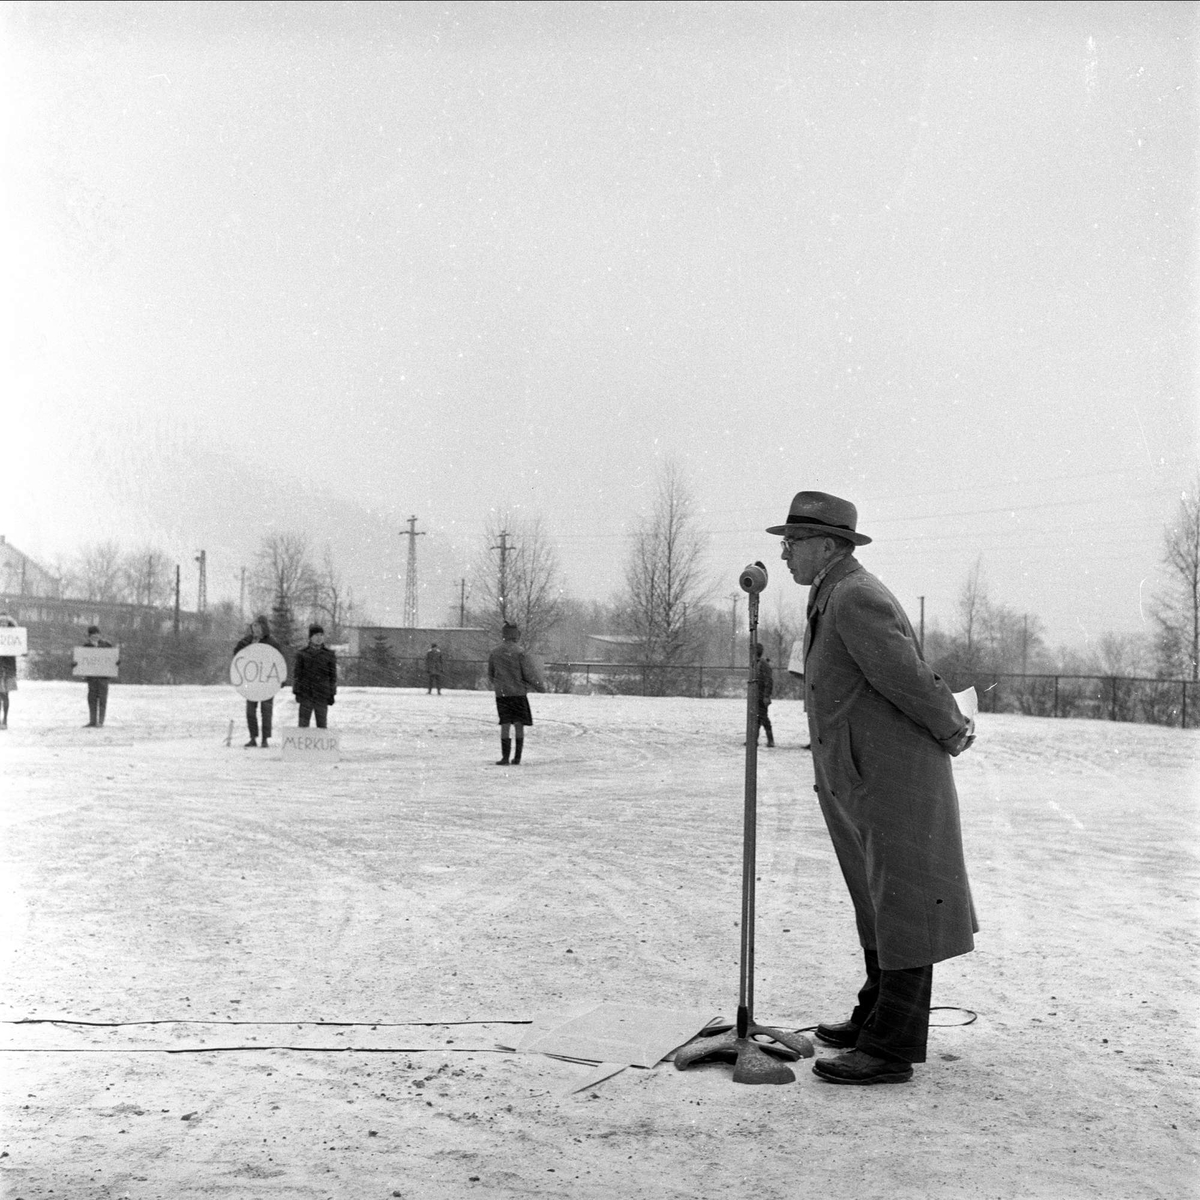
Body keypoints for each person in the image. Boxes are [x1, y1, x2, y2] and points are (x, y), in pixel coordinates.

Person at [767, 490, 977, 1086]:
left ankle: (891, 1047)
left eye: (793, 542)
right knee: (876, 900)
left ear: (827, 546)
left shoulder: (854, 596)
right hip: (862, 778)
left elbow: (908, 679)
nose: (784, 554)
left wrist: (953, 726)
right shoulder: (829, 595)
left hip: (894, 781)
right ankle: (875, 1014)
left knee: (903, 904)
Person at [487, 622, 545, 765]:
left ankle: (505, 757)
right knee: (519, 724)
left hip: (502, 694)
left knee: (505, 724)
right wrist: (539, 687)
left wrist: (500, 684)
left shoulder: (495, 652)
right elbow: (529, 673)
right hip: (518, 693)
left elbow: (490, 674)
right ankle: (517, 757)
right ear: (516, 635)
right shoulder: (521, 652)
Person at [232, 615, 286, 748]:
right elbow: (237, 655)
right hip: (251, 682)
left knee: (266, 711)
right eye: (253, 626)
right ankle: (253, 737)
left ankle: (265, 739)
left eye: (258, 625)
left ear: (264, 627)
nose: (255, 628)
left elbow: (279, 661)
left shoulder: (272, 642)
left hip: (267, 681)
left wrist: (281, 678)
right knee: (250, 711)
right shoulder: (247, 641)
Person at [292, 623, 337, 729]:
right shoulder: (302, 654)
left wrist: (332, 694)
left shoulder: (329, 655)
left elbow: (333, 677)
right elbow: (297, 675)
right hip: (306, 693)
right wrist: (297, 691)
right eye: (316, 635)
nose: (319, 638)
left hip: (322, 694)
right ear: (310, 637)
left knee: (321, 725)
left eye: (321, 635)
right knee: (303, 725)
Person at [80, 624, 116, 728]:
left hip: (103, 677)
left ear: (99, 635)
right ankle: (92, 721)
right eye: (93, 635)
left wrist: (116, 662)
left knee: (102, 700)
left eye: (97, 634)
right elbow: (80, 660)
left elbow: (113, 658)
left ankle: (100, 722)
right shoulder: (85, 647)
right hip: (91, 678)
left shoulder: (107, 645)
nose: (95, 636)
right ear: (89, 636)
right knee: (92, 699)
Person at [755, 643, 775, 748]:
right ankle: (754, 739)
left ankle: (770, 740)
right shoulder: (757, 663)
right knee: (757, 718)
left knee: (763, 717)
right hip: (757, 695)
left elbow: (769, 680)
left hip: (762, 696)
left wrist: (766, 696)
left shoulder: (763, 664)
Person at [0, 614, 17, 729]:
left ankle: (5, 719)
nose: (3, 624)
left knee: (5, 695)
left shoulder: (14, 637)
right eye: (1, 623)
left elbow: (20, 650)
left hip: (8, 669)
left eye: (5, 623)